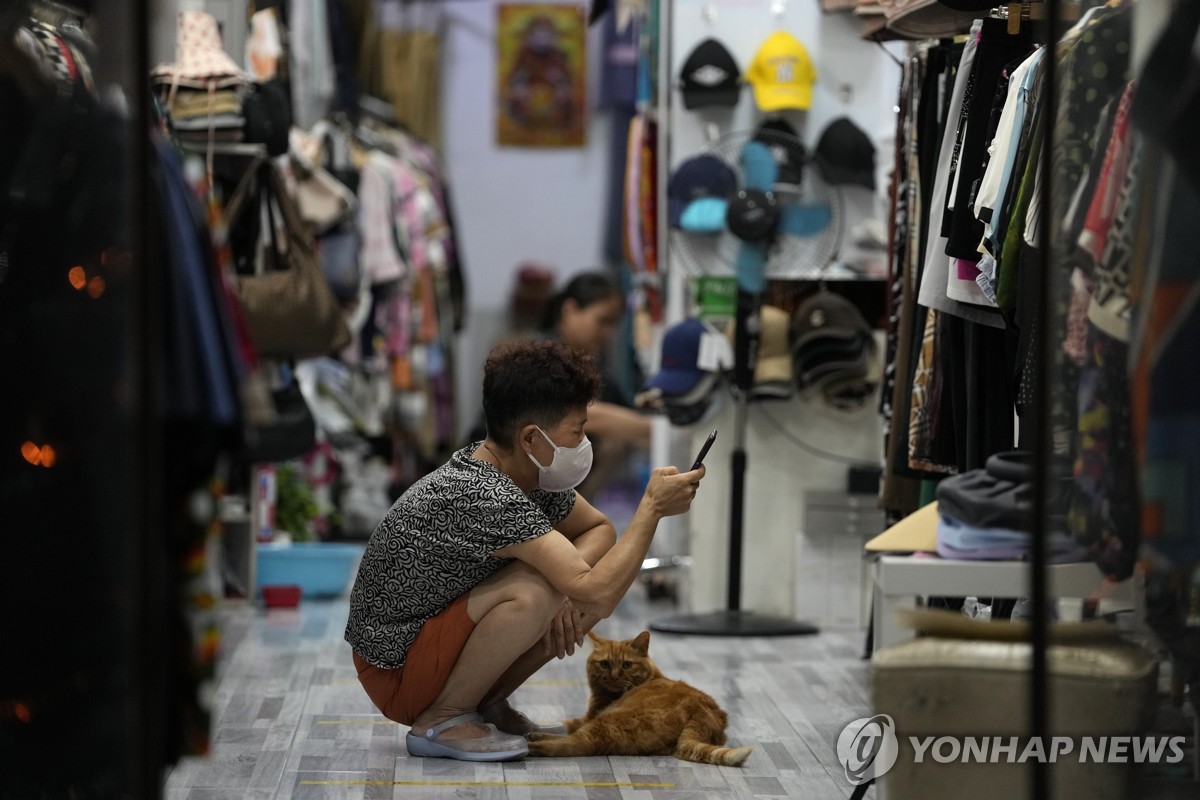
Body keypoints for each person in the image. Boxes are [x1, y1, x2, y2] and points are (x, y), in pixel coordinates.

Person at [344, 339, 705, 762]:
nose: (584, 441)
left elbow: (599, 528)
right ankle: (443, 718)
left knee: (563, 590)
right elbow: (599, 591)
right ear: (532, 437)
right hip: (394, 671)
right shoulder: (483, 493)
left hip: (425, 648)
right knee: (537, 592)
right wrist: (651, 509)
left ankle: (484, 705)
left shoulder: (524, 473)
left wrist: (571, 590)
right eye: (577, 430)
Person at [537, 271, 652, 497]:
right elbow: (578, 414)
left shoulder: (593, 369)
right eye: (603, 321)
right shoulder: (539, 358)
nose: (609, 333)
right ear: (570, 311)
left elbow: (627, 414)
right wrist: (662, 431)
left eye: (614, 324)